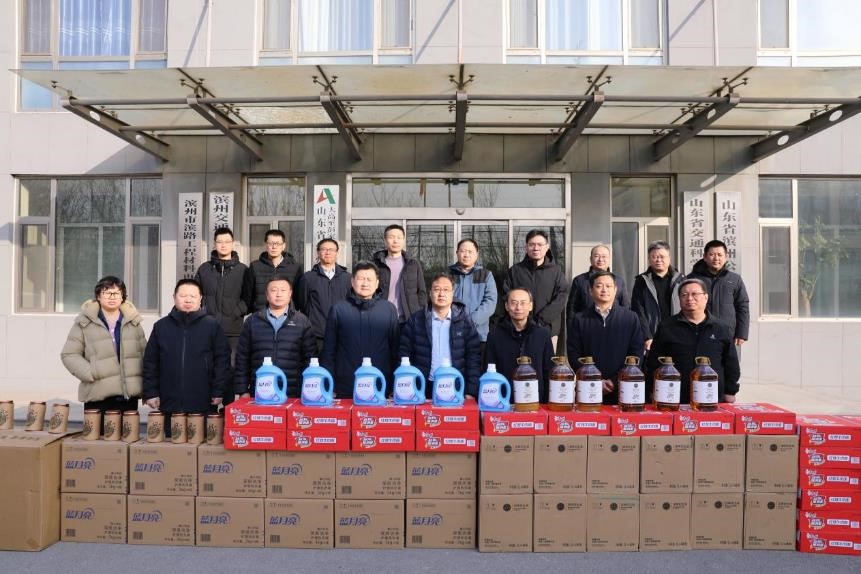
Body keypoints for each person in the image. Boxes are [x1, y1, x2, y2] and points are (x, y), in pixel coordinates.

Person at [143, 279, 230, 430]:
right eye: (183, 296)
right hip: (169, 404)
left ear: (200, 298)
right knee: (172, 441)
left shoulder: (211, 325)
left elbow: (222, 360)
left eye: (193, 296)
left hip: (203, 403)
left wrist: (219, 391)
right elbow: (150, 362)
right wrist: (151, 392)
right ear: (174, 297)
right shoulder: (161, 327)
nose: (188, 300)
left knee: (201, 441)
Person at [60, 276, 147, 416]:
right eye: (107, 292)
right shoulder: (84, 322)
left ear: (122, 297)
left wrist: (147, 387)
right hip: (97, 395)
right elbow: (69, 354)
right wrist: (91, 372)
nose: (112, 297)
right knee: (97, 431)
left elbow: (145, 355)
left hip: (127, 397)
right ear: (98, 296)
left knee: (127, 431)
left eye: (116, 293)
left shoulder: (133, 322)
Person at [645, 278, 740, 404]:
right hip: (674, 396)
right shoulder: (667, 327)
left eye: (695, 294)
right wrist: (652, 389)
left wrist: (730, 391)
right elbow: (654, 362)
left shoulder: (720, 328)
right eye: (684, 295)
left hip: (712, 396)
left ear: (706, 297)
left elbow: (731, 363)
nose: (689, 298)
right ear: (679, 299)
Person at [321, 261, 400, 398]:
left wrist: (395, 384)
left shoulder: (389, 310)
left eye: (369, 279)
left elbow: (396, 350)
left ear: (377, 283)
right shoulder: (339, 309)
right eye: (361, 279)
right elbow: (328, 351)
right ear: (352, 281)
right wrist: (329, 384)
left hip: (380, 384)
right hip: (346, 385)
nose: (365, 283)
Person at [567, 271, 644, 404]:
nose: (604, 290)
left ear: (615, 290)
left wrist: (615, 381)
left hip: (623, 389)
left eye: (608, 286)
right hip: (588, 389)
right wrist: (595, 381)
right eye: (599, 286)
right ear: (590, 291)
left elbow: (636, 353)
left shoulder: (630, 318)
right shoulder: (579, 319)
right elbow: (574, 354)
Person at [399, 273, 482, 398]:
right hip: (423, 387)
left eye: (446, 290)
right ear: (430, 293)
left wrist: (471, 391)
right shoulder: (416, 320)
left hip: (455, 386)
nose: (441, 294)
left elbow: (473, 358)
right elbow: (404, 354)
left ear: (452, 293)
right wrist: (405, 387)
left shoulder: (464, 321)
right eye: (437, 289)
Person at [234, 276, 316, 399]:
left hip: (293, 393)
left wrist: (308, 390)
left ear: (290, 294)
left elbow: (310, 359)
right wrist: (242, 390)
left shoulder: (302, 321)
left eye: (283, 290)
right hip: (260, 392)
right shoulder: (253, 321)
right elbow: (242, 358)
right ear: (267, 295)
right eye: (273, 290)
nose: (278, 294)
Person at [483, 288, 554, 402]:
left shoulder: (543, 335)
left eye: (523, 303)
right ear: (506, 306)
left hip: (536, 401)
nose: (518, 307)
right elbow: (489, 371)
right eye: (514, 303)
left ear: (530, 306)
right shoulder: (495, 336)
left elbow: (548, 370)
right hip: (505, 400)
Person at [502, 229, 568, 351]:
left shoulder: (556, 272)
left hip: (548, 329)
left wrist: (541, 320)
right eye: (531, 244)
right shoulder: (515, 271)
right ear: (526, 247)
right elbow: (507, 295)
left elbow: (561, 297)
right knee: (520, 362)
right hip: (519, 329)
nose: (536, 248)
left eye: (540, 244)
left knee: (546, 362)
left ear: (547, 247)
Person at [194, 227, 250, 364]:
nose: (223, 245)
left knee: (231, 367)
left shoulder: (243, 270)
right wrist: (203, 312)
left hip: (233, 330)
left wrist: (235, 313)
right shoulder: (204, 269)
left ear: (233, 244)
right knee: (206, 366)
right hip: (207, 327)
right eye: (219, 242)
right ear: (214, 244)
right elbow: (195, 294)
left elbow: (248, 298)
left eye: (227, 241)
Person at [687, 239, 750, 346]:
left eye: (720, 255)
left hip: (727, 334)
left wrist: (741, 333)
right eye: (712, 254)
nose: (716, 258)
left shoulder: (735, 279)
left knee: (728, 357)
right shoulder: (693, 279)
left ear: (726, 257)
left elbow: (742, 306)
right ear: (705, 257)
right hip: (699, 333)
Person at [295, 238, 351, 355]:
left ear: (337, 252)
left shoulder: (347, 278)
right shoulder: (308, 278)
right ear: (318, 252)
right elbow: (302, 304)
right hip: (315, 334)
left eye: (331, 249)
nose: (327, 252)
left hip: (342, 333)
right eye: (324, 249)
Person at [631, 240, 684, 351]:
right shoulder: (642, 281)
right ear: (649, 259)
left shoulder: (681, 280)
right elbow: (638, 310)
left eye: (662, 257)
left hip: (678, 334)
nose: (658, 260)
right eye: (654, 257)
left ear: (669, 258)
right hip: (652, 335)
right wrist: (647, 336)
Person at [449, 238, 497, 350]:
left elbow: (490, 302)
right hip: (452, 332)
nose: (466, 255)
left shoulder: (486, 275)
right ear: (457, 253)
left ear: (477, 254)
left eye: (470, 251)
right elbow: (442, 299)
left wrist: (470, 321)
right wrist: (456, 321)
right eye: (462, 251)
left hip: (478, 334)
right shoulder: (448, 274)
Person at [372, 224, 426, 324]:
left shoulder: (413, 264)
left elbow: (421, 292)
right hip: (382, 318)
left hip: (408, 319)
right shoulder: (376, 264)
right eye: (391, 237)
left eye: (399, 237)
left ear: (404, 240)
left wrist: (422, 315)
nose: (395, 241)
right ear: (385, 240)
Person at [246, 229, 302, 312]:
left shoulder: (295, 267)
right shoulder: (255, 266)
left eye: (278, 244)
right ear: (265, 245)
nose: (274, 247)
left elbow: (298, 296)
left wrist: (293, 311)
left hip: (287, 315)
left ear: (284, 246)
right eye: (270, 243)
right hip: (261, 314)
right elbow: (248, 295)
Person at [566, 244, 629, 317]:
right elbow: (572, 309)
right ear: (590, 259)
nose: (600, 259)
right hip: (586, 322)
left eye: (604, 256)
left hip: (613, 322)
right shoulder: (579, 280)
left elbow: (625, 307)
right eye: (596, 256)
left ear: (609, 259)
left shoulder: (619, 281)